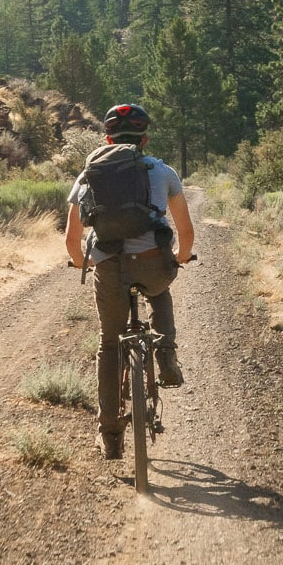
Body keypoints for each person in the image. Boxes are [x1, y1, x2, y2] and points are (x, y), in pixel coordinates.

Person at [62, 102, 196, 460]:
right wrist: (180, 257)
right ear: (144, 140)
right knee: (161, 290)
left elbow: (72, 241)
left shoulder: (89, 174)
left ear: (108, 139)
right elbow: (186, 232)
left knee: (109, 344)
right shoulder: (163, 171)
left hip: (110, 269)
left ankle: (109, 435)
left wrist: (83, 263)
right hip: (153, 263)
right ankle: (166, 354)